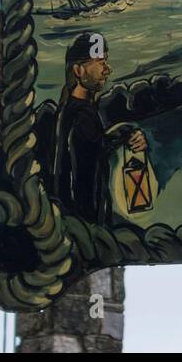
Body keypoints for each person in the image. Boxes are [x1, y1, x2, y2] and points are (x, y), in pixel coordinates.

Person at [51, 32, 147, 224]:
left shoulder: (74, 111)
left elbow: (96, 143)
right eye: (101, 62)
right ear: (78, 71)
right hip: (86, 226)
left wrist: (124, 133)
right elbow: (95, 148)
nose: (108, 70)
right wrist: (126, 133)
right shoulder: (82, 114)